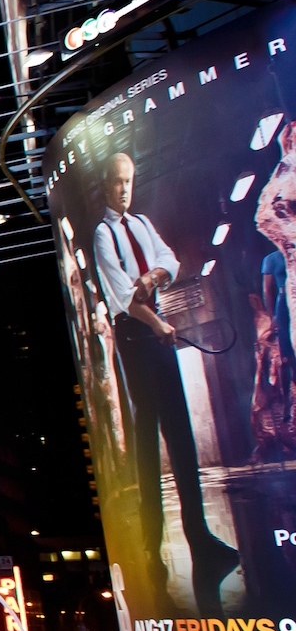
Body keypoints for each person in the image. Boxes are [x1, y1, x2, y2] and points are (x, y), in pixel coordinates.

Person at [93, 150, 240, 591]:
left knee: (179, 432)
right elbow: (121, 297)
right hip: (135, 336)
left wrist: (152, 277)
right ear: (105, 184)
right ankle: (149, 544)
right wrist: (158, 323)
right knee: (147, 436)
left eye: (129, 181)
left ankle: (198, 537)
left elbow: (169, 263)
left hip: (154, 332)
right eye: (118, 182)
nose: (124, 189)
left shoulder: (140, 225)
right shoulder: (103, 235)